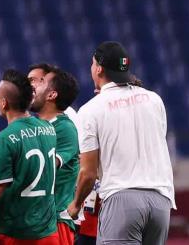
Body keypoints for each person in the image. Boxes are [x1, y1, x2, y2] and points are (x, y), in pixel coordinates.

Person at [67, 42, 175, 245]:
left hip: (122, 199)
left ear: (99, 68)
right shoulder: (155, 100)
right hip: (161, 201)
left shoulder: (91, 110)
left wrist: (76, 204)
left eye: (92, 64)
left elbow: (88, 173)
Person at [0, 69, 58, 245]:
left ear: (4, 103)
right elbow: (25, 169)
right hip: (48, 233)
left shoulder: (5, 138)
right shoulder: (48, 129)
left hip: (15, 233)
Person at [29, 68, 80, 245]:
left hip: (55, 223)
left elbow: (39, 167)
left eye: (40, 81)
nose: (33, 86)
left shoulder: (64, 128)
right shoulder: (32, 127)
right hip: (31, 221)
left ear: (52, 95)